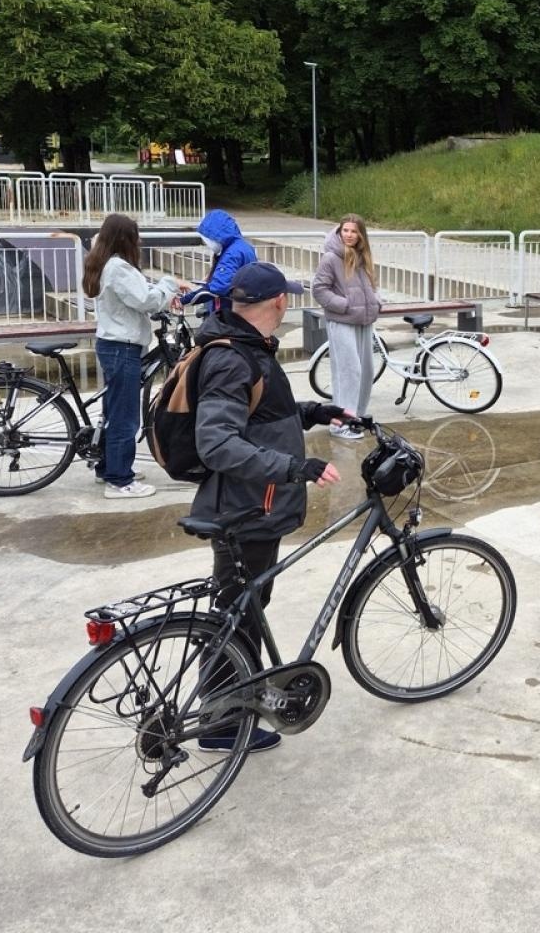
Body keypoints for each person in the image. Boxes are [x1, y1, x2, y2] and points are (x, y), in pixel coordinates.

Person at [190, 262, 347, 752]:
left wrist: (312, 413)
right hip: (245, 508)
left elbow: (262, 418)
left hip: (255, 503)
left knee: (246, 607)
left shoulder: (247, 347)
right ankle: (220, 723)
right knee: (238, 612)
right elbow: (216, 442)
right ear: (279, 302)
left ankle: (230, 706)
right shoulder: (234, 358)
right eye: (288, 299)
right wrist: (293, 469)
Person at [82, 214, 187, 499]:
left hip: (113, 344)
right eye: (135, 235)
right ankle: (120, 480)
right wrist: (169, 284)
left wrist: (161, 290)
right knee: (125, 417)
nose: (139, 240)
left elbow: (136, 296)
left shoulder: (106, 263)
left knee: (113, 412)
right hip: (122, 348)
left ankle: (108, 467)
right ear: (124, 238)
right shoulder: (118, 267)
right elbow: (146, 300)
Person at [312, 214, 381, 441]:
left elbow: (370, 285)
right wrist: (344, 305)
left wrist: (375, 301)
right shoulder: (331, 258)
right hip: (342, 320)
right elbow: (319, 289)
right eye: (345, 231)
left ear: (361, 234)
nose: (349, 235)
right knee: (348, 372)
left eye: (354, 231)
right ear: (340, 232)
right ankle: (339, 422)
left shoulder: (363, 256)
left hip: (363, 320)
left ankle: (355, 417)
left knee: (366, 372)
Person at [181, 209, 257, 314]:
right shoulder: (243, 246)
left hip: (230, 311)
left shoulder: (231, 254)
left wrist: (183, 301)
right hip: (245, 306)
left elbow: (218, 287)